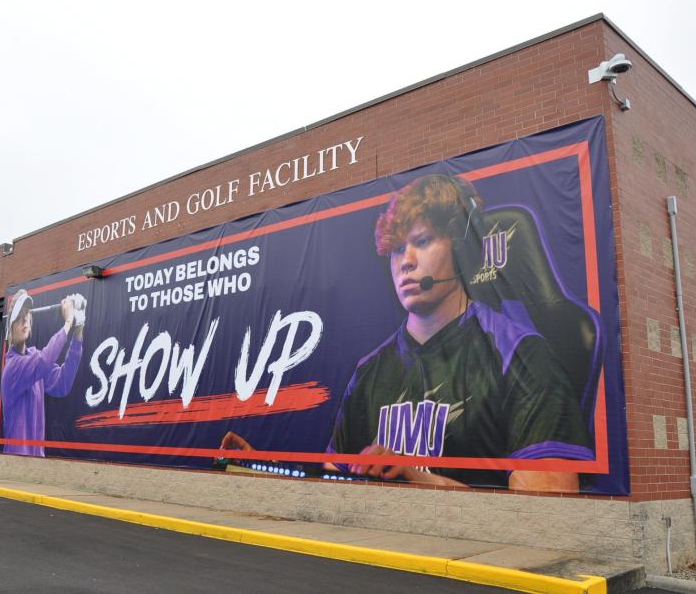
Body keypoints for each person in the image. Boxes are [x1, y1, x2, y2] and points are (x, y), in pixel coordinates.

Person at [223, 174, 592, 492]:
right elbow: (336, 484)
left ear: (463, 249)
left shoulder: (522, 355)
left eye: (423, 241)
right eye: (398, 249)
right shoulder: (369, 373)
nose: (407, 262)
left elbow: (548, 512)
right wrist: (265, 471)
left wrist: (417, 479)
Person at [1, 289, 86, 457]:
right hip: (15, 461)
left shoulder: (34, 357)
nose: (24, 322)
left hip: (36, 460)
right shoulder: (13, 367)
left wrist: (78, 330)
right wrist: (68, 321)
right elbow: (45, 360)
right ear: (10, 329)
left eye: (27, 317)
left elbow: (62, 384)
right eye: (19, 319)